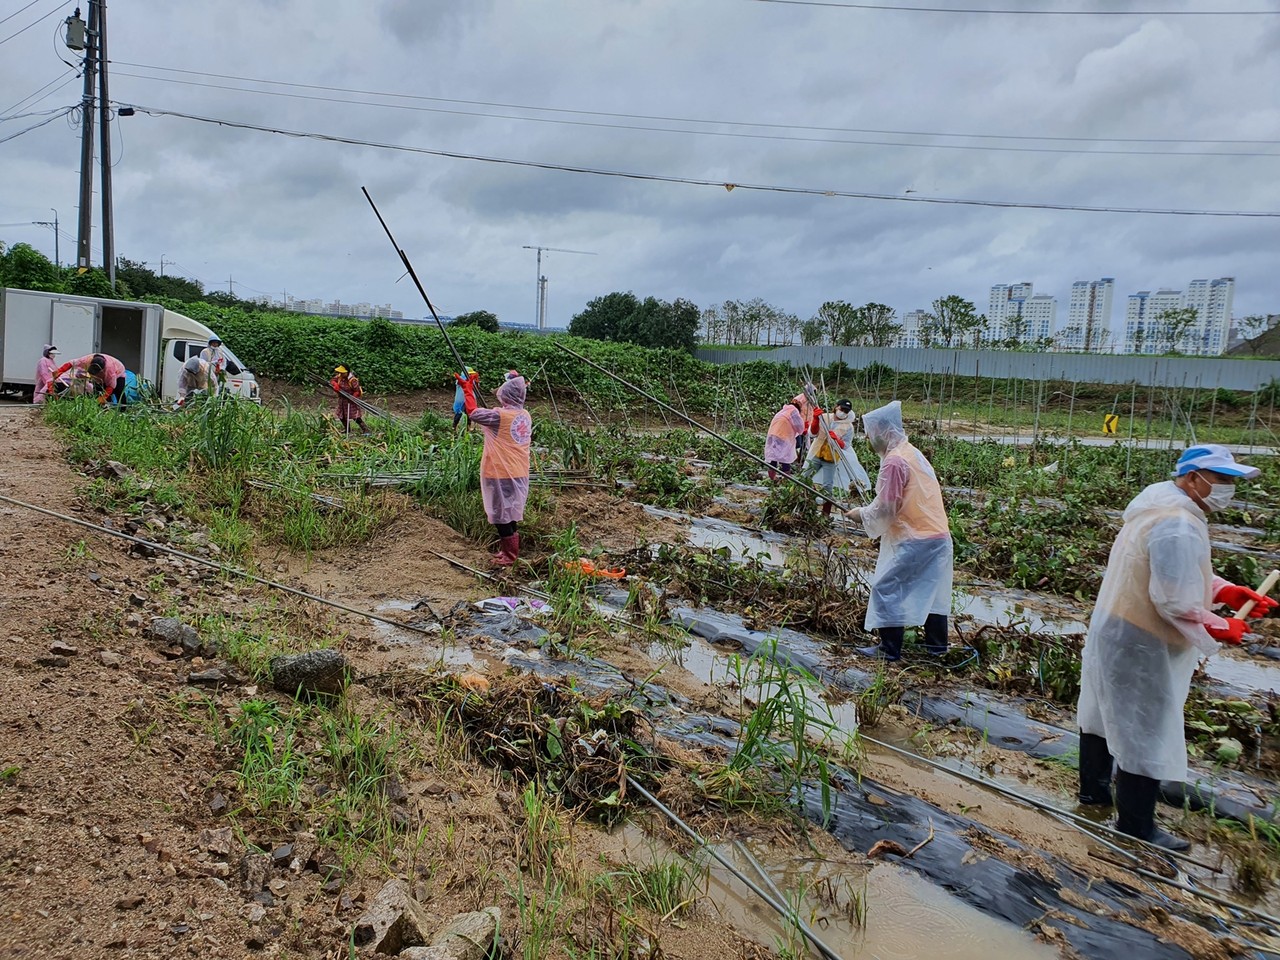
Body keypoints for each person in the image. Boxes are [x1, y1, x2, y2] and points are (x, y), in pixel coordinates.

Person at [1076, 444, 1277, 851]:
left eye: (1231, 481)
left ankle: (1093, 796)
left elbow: (1179, 573)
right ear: (1191, 478)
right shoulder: (1178, 524)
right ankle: (1136, 826)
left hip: (1117, 626)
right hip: (1141, 639)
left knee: (1099, 715)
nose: (1227, 488)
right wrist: (1223, 626)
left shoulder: (1157, 508)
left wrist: (1224, 590)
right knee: (1144, 727)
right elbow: (1173, 599)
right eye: (1221, 479)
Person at [845, 400, 952, 661]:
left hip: (916, 538)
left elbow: (886, 509)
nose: (868, 439)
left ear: (883, 431)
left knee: (886, 587)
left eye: (870, 434)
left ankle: (888, 649)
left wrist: (861, 515)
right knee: (932, 591)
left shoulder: (894, 462)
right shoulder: (911, 452)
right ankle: (937, 648)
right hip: (938, 536)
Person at [457, 368, 532, 567]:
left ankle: (510, 555)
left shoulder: (499, 417)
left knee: (501, 514)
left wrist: (468, 390)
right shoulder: (524, 414)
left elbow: (473, 413)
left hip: (501, 471)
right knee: (509, 513)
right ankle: (509, 550)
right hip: (518, 471)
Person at [803, 398, 868, 517]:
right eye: (841, 409)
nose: (843, 412)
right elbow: (813, 433)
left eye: (846, 411)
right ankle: (806, 501)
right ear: (836, 407)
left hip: (831, 458)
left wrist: (837, 440)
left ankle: (825, 513)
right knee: (803, 477)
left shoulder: (848, 426)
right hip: (817, 453)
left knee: (827, 485)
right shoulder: (824, 417)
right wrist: (816, 419)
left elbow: (846, 445)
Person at [47, 352, 128, 408]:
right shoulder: (86, 360)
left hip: (119, 373)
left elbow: (111, 386)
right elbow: (71, 363)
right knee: (98, 391)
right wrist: (59, 371)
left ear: (102, 370)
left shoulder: (110, 370)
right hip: (100, 377)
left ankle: (122, 411)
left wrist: (104, 397)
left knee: (119, 392)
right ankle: (102, 410)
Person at [764, 400, 806, 481]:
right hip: (783, 436)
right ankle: (786, 479)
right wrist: (804, 428)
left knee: (774, 456)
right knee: (785, 458)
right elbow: (800, 426)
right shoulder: (794, 411)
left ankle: (772, 478)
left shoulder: (783, 411)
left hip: (772, 435)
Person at [330, 366, 370, 435]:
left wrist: (352, 398)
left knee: (355, 417)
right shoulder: (339, 377)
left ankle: (366, 430)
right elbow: (333, 380)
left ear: (347, 372)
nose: (341, 374)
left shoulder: (352, 380)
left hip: (351, 400)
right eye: (340, 373)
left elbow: (357, 391)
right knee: (342, 416)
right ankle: (347, 429)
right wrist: (335, 384)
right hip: (342, 400)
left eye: (343, 373)